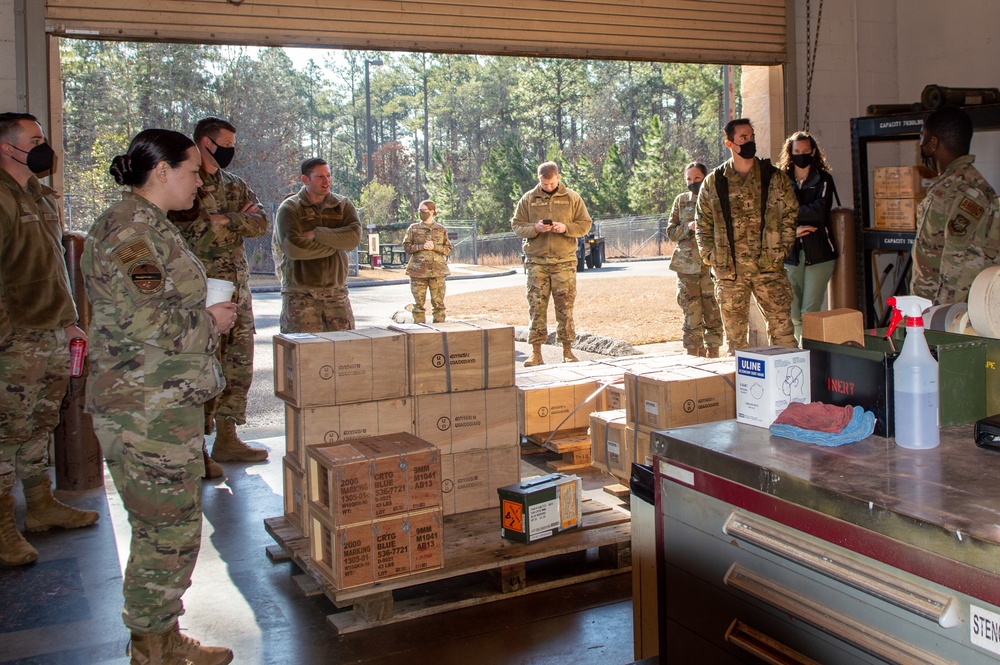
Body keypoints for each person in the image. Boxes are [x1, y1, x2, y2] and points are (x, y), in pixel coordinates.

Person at [82, 129, 237, 664]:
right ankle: (153, 646)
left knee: (166, 525)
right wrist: (210, 322)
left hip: (157, 401)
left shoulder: (151, 227)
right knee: (166, 530)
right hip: (144, 404)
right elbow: (142, 319)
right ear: (163, 172)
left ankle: (157, 636)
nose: (200, 182)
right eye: (193, 171)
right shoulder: (130, 231)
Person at [0, 112, 99, 567]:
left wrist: (68, 321)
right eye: (35, 139)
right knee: (6, 434)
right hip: (15, 339)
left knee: (38, 426)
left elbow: (53, 268)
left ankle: (39, 506)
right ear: (7, 147)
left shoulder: (40, 196)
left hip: (50, 333)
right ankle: (4, 529)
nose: (45, 146)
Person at [169, 116, 268, 472]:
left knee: (238, 363)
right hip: (202, 292)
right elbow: (191, 233)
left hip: (236, 290)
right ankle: (197, 450)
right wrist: (230, 222)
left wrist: (225, 220)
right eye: (225, 144)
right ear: (206, 142)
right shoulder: (186, 182)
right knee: (202, 365)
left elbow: (260, 221)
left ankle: (227, 438)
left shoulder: (235, 183)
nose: (231, 151)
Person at [696, 118, 799, 354]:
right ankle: (739, 388)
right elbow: (703, 223)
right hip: (730, 273)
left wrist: (781, 249)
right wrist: (710, 257)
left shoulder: (773, 177)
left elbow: (790, 214)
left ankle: (787, 384)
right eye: (743, 137)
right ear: (729, 143)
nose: (749, 141)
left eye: (751, 136)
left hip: (769, 269)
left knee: (783, 333)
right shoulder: (714, 182)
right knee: (735, 342)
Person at [910, 106, 1000, 305]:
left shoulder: (964, 189)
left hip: (946, 310)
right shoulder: (949, 185)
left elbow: (958, 261)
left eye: (922, 138)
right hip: (928, 304)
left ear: (932, 143)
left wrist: (943, 316)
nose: (921, 146)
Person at [512, 161, 593, 366]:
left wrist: (565, 227)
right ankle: (536, 353)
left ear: (558, 177)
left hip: (564, 261)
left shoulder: (572, 198)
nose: (547, 187)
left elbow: (585, 224)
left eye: (550, 183)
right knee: (536, 307)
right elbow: (517, 225)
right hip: (537, 261)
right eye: (544, 183)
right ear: (539, 179)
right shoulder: (528, 199)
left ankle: (567, 351)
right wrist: (535, 228)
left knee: (565, 308)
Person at [273, 157, 362, 333]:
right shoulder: (290, 208)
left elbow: (353, 238)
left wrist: (317, 234)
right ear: (305, 179)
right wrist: (336, 243)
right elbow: (294, 248)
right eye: (320, 176)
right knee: (303, 354)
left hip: (336, 295)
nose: (326, 181)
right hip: (300, 295)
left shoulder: (342, 205)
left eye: (328, 176)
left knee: (343, 353)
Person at [778, 131, 838, 343]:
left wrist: (790, 214)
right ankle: (796, 355)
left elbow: (820, 211)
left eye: (805, 151)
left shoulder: (823, 180)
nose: (801, 155)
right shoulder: (781, 180)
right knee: (793, 314)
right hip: (790, 255)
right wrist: (794, 227)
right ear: (790, 153)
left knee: (809, 311)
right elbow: (774, 212)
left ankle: (810, 357)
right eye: (797, 151)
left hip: (819, 255)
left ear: (813, 152)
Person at [666, 162, 724, 357]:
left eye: (697, 178)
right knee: (692, 315)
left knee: (713, 313)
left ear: (705, 177)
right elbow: (671, 232)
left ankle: (714, 355)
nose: (693, 182)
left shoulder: (716, 199)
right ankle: (692, 358)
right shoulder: (681, 201)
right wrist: (688, 227)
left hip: (710, 267)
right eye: (689, 179)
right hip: (687, 269)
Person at [403, 200, 453, 323]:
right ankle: (419, 331)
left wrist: (435, 247)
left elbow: (448, 248)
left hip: (437, 272)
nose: (421, 213)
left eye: (424, 210)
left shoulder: (441, 229)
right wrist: (421, 247)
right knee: (418, 305)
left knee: (438, 305)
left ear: (432, 211)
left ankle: (440, 331)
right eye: (420, 210)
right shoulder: (413, 229)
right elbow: (406, 247)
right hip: (418, 272)